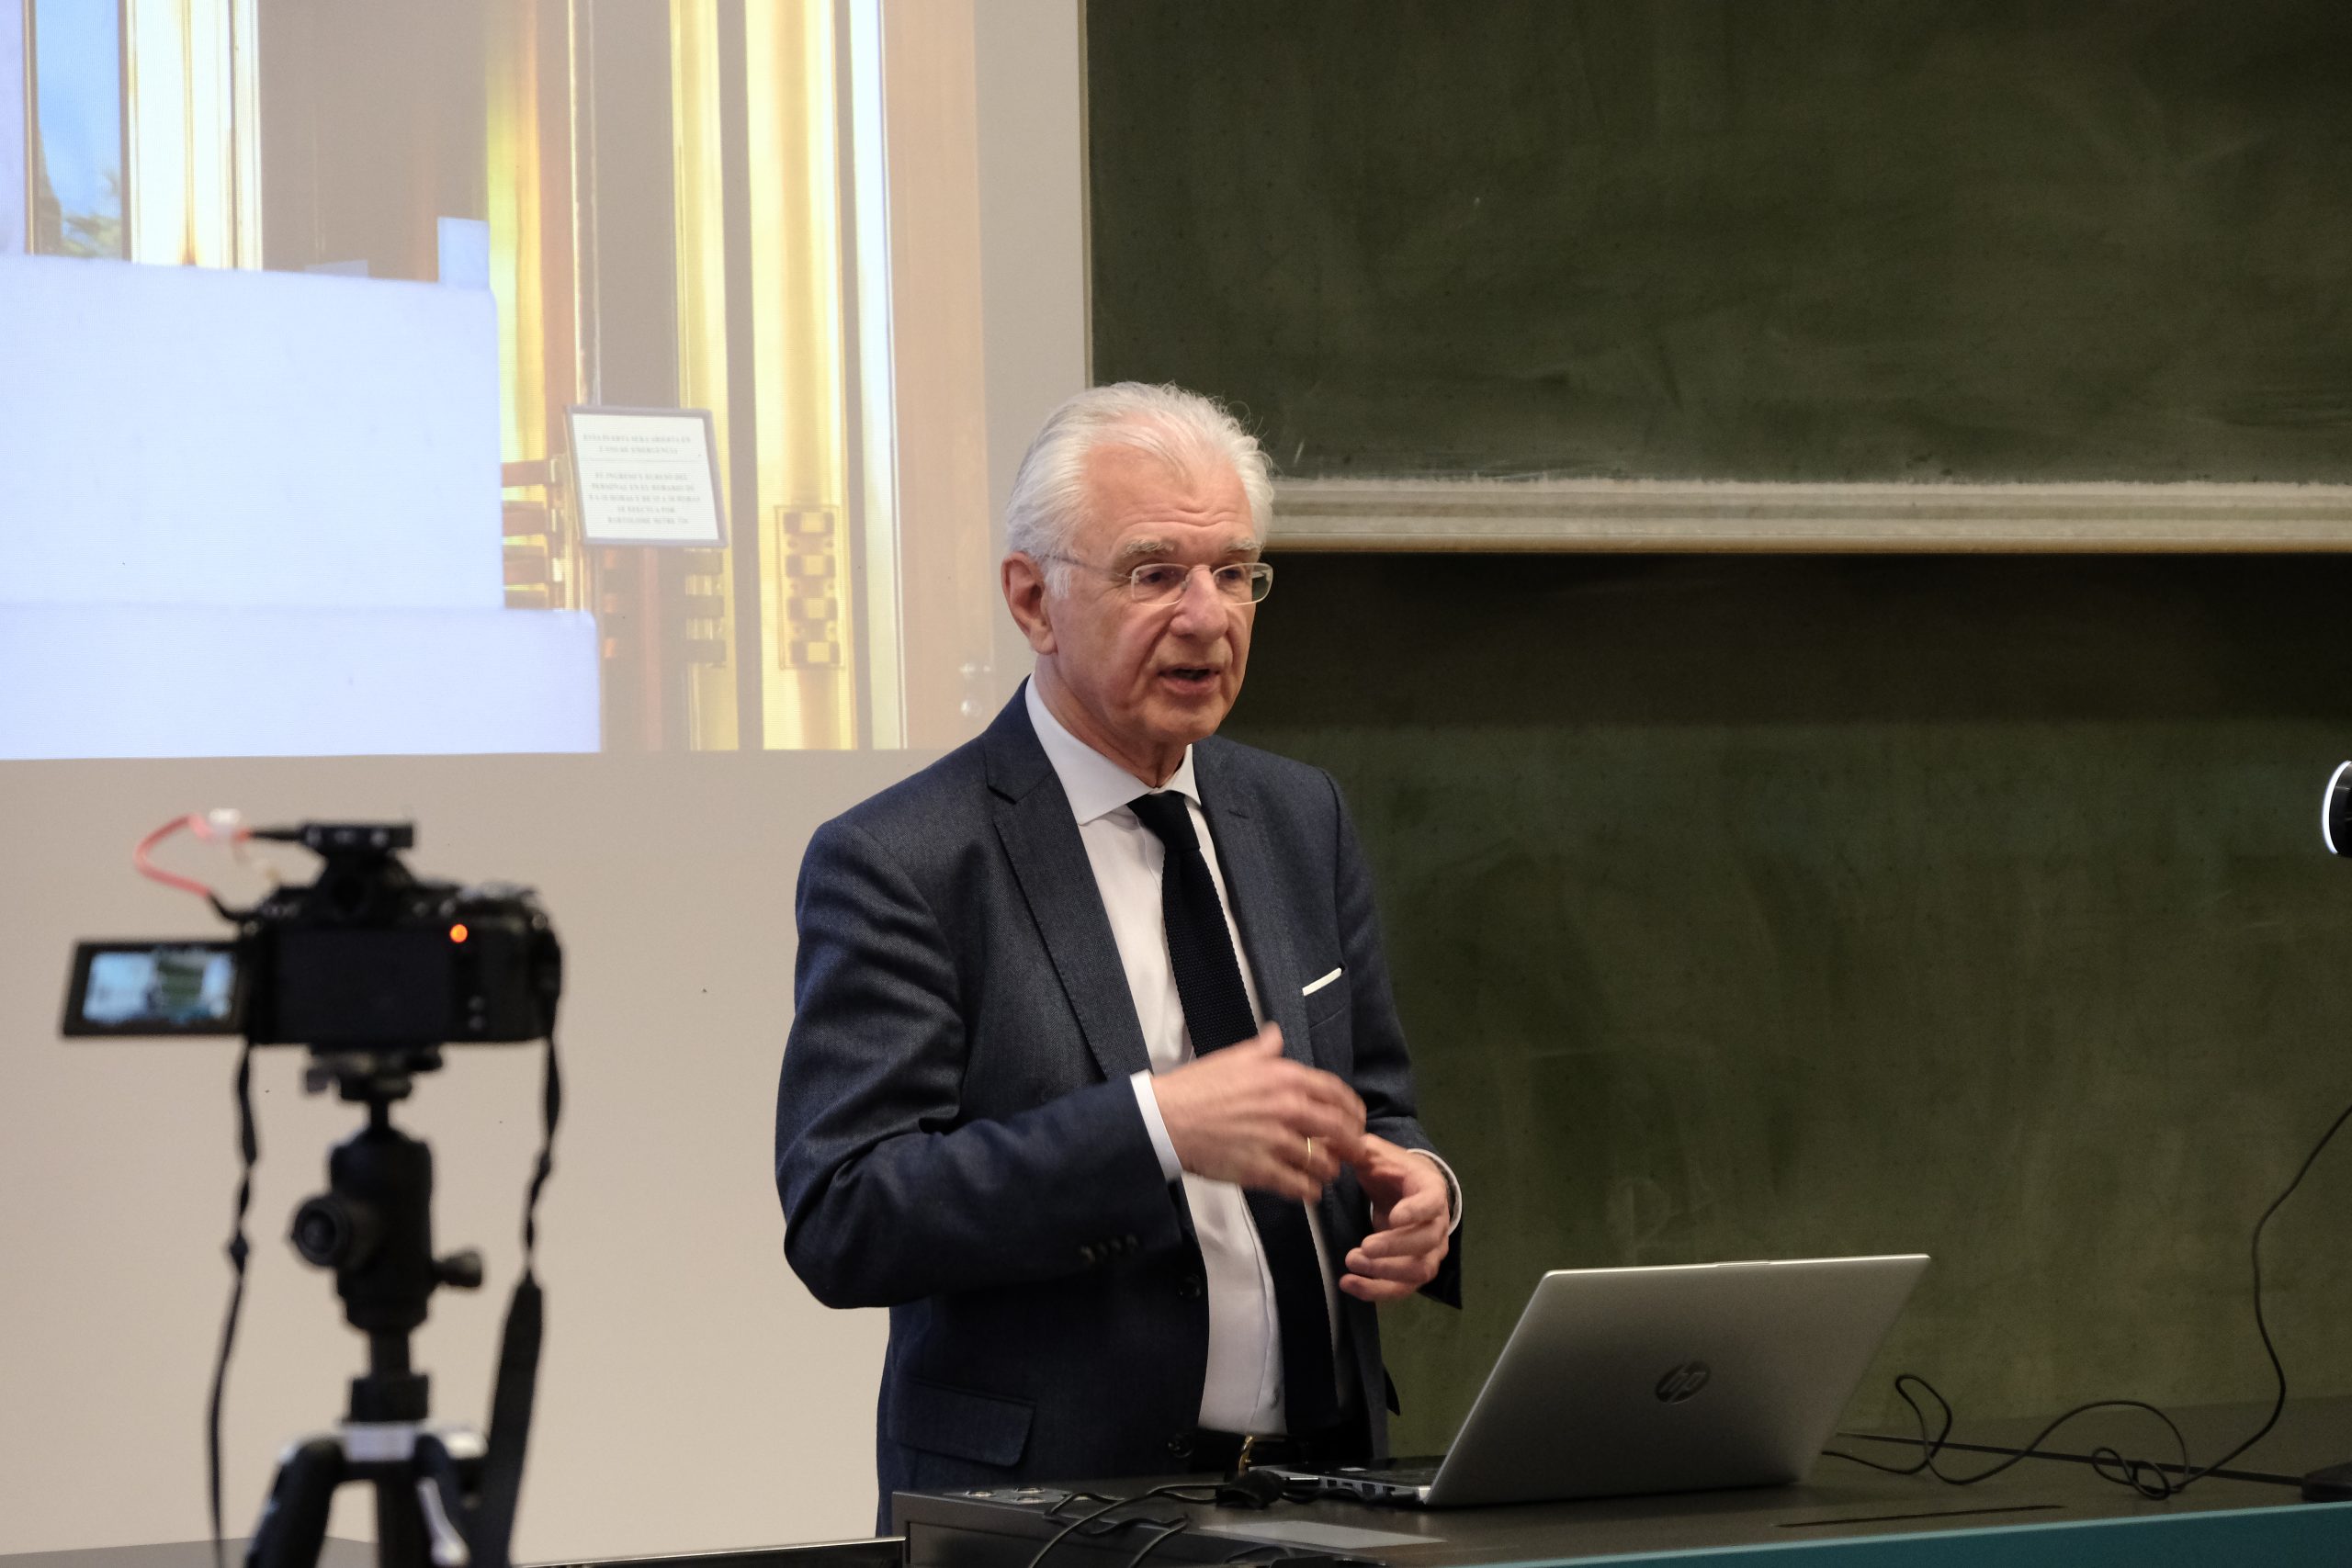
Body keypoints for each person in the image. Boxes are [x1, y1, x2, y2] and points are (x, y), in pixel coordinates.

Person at [774, 383, 1461, 1517]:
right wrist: (1152, 1130)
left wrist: (1421, 1185)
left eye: (1234, 572)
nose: (1207, 616)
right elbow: (847, 1214)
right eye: (1153, 573)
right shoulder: (907, 859)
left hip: (1327, 1491)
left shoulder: (1299, 816)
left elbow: (1375, 1104)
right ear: (1032, 599)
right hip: (1056, 1514)